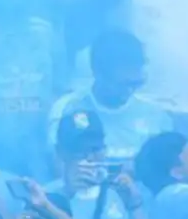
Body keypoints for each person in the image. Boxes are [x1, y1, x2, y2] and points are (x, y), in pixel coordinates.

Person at [47, 29, 173, 172]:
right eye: (122, 84)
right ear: (98, 73)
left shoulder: (154, 114)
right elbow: (59, 166)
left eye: (135, 84)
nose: (129, 91)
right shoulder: (68, 108)